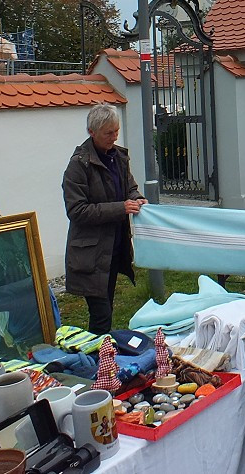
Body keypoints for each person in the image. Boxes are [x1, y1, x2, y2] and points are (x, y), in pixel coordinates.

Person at [62, 104, 147, 333]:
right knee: (101, 316)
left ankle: (102, 357)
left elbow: (129, 187)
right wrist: (121, 208)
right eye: (109, 133)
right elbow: (77, 211)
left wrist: (137, 198)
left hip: (111, 250)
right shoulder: (79, 165)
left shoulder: (118, 157)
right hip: (90, 255)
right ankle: (97, 362)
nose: (114, 137)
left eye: (116, 131)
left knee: (106, 310)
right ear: (92, 132)